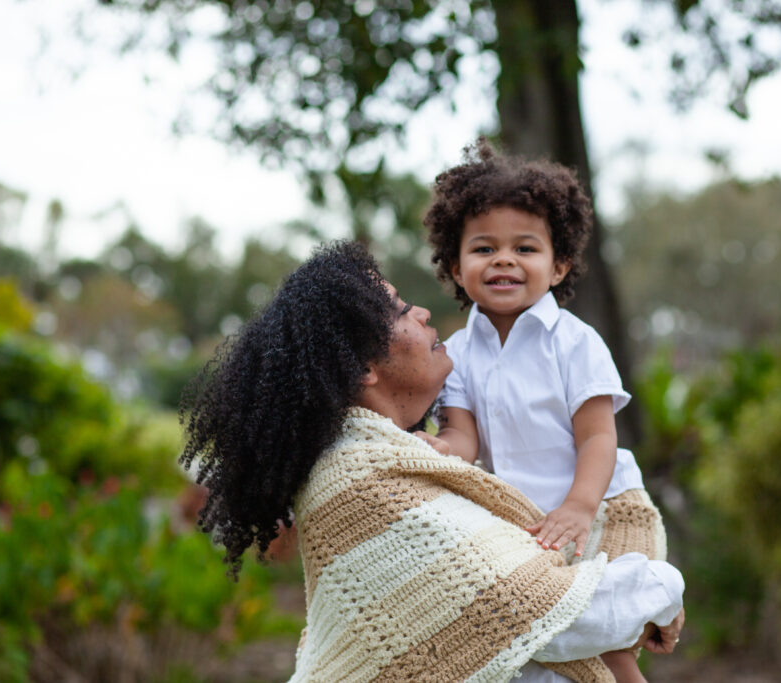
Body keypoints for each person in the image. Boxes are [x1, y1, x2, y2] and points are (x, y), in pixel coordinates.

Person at [179, 241, 684, 682]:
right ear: (362, 368)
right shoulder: (363, 483)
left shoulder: (394, 459)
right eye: (400, 310)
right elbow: (540, 610)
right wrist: (663, 590)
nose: (422, 312)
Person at [417, 140, 668, 682]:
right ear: (456, 270)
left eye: (525, 249)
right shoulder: (457, 354)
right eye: (483, 249)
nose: (504, 259)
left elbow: (598, 438)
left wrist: (580, 505)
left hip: (604, 502)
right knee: (558, 629)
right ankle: (645, 614)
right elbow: (464, 438)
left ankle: (659, 609)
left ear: (558, 267)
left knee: (615, 632)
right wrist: (439, 449)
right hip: (529, 521)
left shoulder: (575, 344)